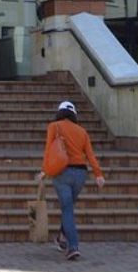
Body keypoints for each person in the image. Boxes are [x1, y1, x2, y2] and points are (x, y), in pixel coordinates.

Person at [45, 99, 105, 261]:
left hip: (61, 172)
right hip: (80, 174)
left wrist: (45, 171)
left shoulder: (54, 127)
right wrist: (98, 174)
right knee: (69, 207)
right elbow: (90, 156)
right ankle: (61, 238)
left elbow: (49, 151)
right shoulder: (82, 131)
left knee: (67, 209)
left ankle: (73, 247)